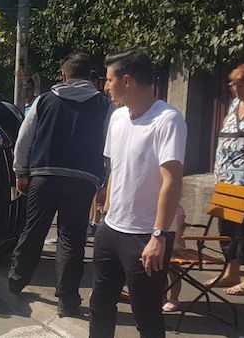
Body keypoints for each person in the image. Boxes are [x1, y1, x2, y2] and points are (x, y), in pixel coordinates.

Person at [90, 48, 187, 338]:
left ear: (127, 81)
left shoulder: (167, 120)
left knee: (146, 314)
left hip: (146, 235)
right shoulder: (118, 118)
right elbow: (116, 169)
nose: (105, 86)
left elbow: (172, 181)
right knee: (100, 305)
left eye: (109, 80)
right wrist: (105, 215)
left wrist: (158, 236)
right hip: (112, 229)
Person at [8, 52, 110, 317]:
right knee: (71, 239)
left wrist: (21, 171)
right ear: (90, 77)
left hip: (44, 176)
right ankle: (67, 300)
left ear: (64, 76)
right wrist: (104, 180)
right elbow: (111, 146)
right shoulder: (105, 106)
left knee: (33, 230)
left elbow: (24, 139)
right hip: (83, 180)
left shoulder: (43, 101)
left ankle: (16, 281)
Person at [205, 63, 244, 294]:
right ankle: (231, 272)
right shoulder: (234, 105)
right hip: (226, 180)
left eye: (240, 84)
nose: (235, 89)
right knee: (227, 228)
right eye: (233, 84)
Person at [162, 205, 186, 313]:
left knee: (174, 273)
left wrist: (176, 243)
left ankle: (174, 298)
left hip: (175, 245)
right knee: (160, 272)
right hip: (161, 244)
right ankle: (162, 297)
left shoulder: (178, 209)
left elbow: (180, 228)